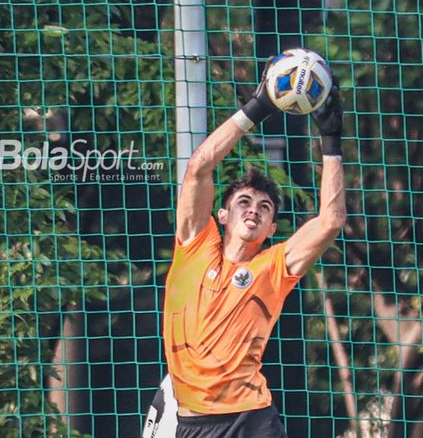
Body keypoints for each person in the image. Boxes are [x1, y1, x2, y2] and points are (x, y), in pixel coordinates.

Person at [143, 61, 345, 438]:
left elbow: (330, 221)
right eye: (244, 201)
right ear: (221, 214)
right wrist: (257, 107)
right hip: (190, 422)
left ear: (271, 229)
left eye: (265, 207)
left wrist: (331, 142)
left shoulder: (274, 267)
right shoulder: (193, 245)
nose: (254, 208)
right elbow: (199, 168)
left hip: (249, 420)